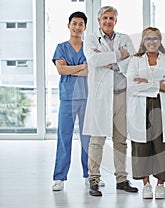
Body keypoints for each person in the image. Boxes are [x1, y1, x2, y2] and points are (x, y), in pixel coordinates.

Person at [82, 6, 138, 197]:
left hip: (122, 93)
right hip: (101, 95)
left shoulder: (125, 39)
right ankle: (94, 179)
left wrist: (108, 61)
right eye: (104, 18)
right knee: (97, 139)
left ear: (116, 20)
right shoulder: (90, 39)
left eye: (111, 18)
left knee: (121, 140)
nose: (108, 21)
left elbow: (131, 63)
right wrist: (118, 56)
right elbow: (93, 59)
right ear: (99, 20)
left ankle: (121, 179)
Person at [126, 27, 165, 199]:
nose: (151, 42)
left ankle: (160, 185)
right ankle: (146, 184)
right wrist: (157, 85)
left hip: (163, 107)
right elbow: (133, 85)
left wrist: (146, 82)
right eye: (148, 39)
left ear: (160, 41)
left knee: (161, 146)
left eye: (155, 39)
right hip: (141, 107)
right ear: (143, 41)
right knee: (142, 146)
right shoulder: (135, 62)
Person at [52, 11, 90, 191]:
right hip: (67, 97)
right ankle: (59, 177)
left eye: (80, 24)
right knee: (64, 136)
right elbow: (61, 71)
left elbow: (89, 71)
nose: (77, 27)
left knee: (87, 139)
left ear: (85, 27)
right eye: (74, 23)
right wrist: (81, 67)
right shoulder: (61, 47)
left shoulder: (89, 48)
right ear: (68, 26)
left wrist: (70, 67)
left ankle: (90, 175)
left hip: (86, 97)